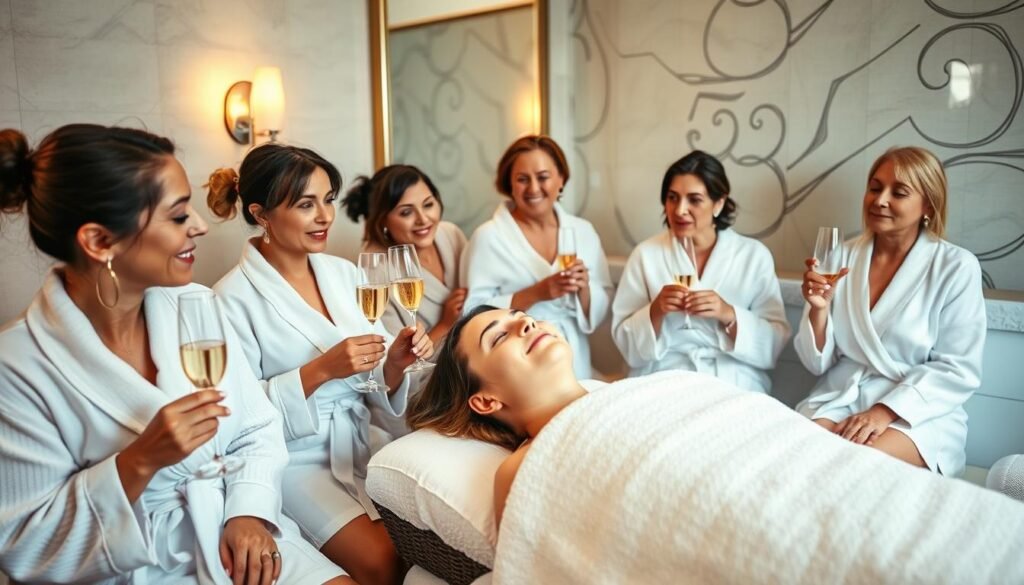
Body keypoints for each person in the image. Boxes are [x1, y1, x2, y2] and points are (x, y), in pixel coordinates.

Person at [0, 124, 348, 584]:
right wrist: (137, 461)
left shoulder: (197, 307)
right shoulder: (17, 366)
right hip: (134, 565)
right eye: (179, 215)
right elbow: (27, 545)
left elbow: (258, 426)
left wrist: (248, 512)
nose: (201, 226)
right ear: (100, 241)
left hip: (236, 527)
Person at [209, 144, 430, 585]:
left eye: (327, 199)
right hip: (294, 460)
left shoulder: (344, 273)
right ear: (261, 214)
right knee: (382, 559)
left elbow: (373, 377)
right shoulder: (229, 299)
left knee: (422, 546)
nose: (325, 216)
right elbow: (235, 418)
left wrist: (395, 363)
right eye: (306, 204)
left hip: (361, 441)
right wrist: (322, 369)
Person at [794, 146, 985, 475]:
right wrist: (818, 311)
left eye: (898, 192)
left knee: (850, 467)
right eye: (874, 188)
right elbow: (815, 364)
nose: (880, 200)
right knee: (794, 455)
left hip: (916, 410)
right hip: (841, 394)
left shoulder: (955, 267)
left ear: (928, 203)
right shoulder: (842, 256)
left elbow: (958, 369)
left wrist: (883, 411)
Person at [611, 151, 789, 392]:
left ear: (719, 203)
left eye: (694, 200)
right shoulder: (646, 254)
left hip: (732, 379)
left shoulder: (753, 256)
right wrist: (656, 310)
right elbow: (625, 342)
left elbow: (774, 343)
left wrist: (728, 314)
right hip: (663, 377)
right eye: (673, 198)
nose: (680, 210)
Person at [461, 135, 612, 379]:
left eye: (543, 177)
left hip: (573, 352)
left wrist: (584, 289)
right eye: (522, 179)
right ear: (509, 184)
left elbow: (604, 298)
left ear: (561, 178)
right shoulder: (488, 237)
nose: (533, 188)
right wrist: (536, 293)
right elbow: (470, 313)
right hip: (517, 361)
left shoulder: (583, 231)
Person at [343, 164, 467, 350]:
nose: (423, 219)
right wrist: (445, 324)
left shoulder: (450, 234)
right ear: (383, 219)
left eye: (428, 204)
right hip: (434, 375)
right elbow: (396, 363)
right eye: (406, 212)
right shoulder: (374, 273)